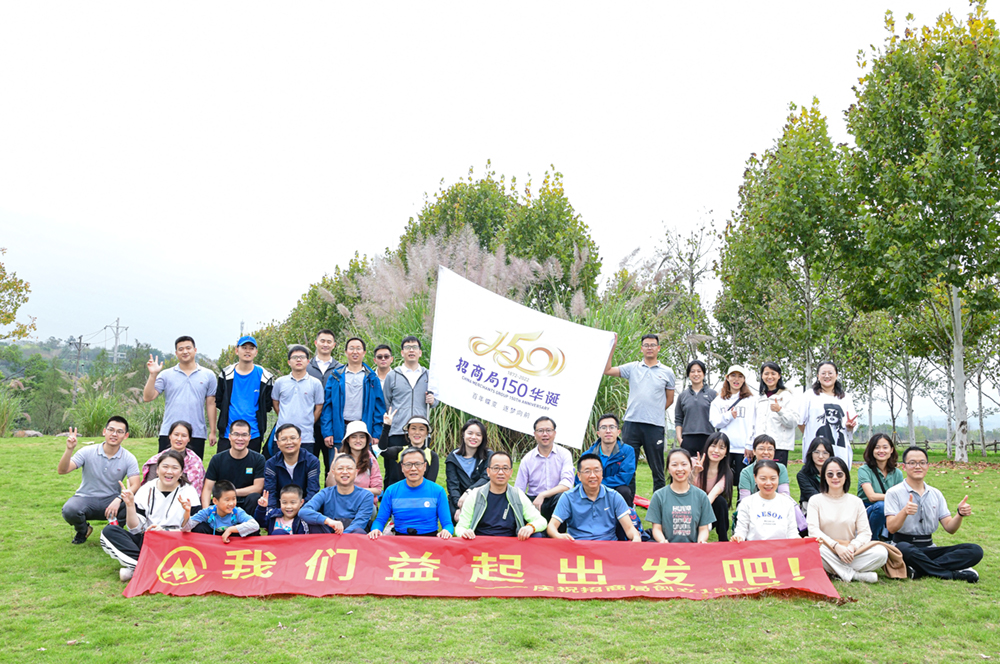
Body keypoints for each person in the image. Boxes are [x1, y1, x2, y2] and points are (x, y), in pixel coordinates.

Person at [99, 450, 201, 581]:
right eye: (165, 467)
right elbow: (135, 529)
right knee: (109, 531)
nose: (169, 471)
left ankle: (138, 568)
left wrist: (165, 532)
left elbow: (193, 529)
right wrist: (130, 505)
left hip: (176, 542)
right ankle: (146, 566)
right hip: (149, 540)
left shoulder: (189, 491)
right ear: (157, 470)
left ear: (181, 472)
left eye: (175, 468)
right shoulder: (146, 489)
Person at [885, 447, 983, 582]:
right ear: (904, 467)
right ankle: (953, 574)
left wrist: (959, 514)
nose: (917, 466)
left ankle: (920, 570)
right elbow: (891, 528)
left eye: (922, 463)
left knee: (975, 550)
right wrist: (904, 512)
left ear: (927, 466)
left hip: (929, 548)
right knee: (904, 548)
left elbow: (950, 528)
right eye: (912, 463)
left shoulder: (936, 493)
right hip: (904, 547)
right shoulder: (893, 493)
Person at [604, 334, 676, 493]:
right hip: (632, 424)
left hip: (654, 426)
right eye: (646, 345)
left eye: (653, 345)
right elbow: (607, 370)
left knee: (657, 469)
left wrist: (653, 411)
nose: (649, 348)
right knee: (628, 467)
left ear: (658, 348)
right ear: (641, 348)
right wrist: (612, 347)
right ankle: (628, 504)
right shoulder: (633, 367)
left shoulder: (667, 372)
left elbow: (669, 400)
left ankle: (659, 504)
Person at [58, 418, 141, 545]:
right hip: (86, 498)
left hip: (112, 500)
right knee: (70, 509)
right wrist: (69, 449)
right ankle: (83, 530)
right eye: (111, 430)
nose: (114, 434)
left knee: (133, 504)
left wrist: (119, 498)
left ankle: (113, 533)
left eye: (119, 431)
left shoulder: (129, 458)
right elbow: (62, 470)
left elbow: (135, 485)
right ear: (104, 431)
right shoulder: (87, 451)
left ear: (126, 436)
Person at [808, 457, 888, 583]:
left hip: (850, 552)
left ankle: (835, 570)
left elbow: (865, 533)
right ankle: (854, 575)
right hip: (826, 549)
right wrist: (835, 546)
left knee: (881, 553)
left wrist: (852, 547)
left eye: (839, 474)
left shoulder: (856, 502)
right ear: (824, 477)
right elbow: (813, 530)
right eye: (830, 474)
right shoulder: (815, 500)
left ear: (846, 476)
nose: (835, 477)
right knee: (813, 550)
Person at [143, 336, 217, 458]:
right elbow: (148, 397)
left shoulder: (208, 375)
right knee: (168, 467)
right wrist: (153, 375)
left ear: (195, 350)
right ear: (176, 353)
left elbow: (211, 404)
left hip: (196, 433)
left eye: (188, 348)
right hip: (170, 432)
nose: (185, 351)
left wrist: (213, 431)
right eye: (181, 349)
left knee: (193, 468)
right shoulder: (166, 375)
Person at [547, 453, 641, 542]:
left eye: (596, 470)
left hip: (608, 545)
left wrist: (636, 537)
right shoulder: (568, 497)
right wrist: (557, 535)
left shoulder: (614, 496)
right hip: (578, 545)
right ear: (579, 476)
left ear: (602, 473)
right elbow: (551, 527)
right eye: (587, 471)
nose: (592, 475)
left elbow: (629, 528)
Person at [455, 451, 547, 540]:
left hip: (509, 545)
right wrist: (465, 532)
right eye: (496, 468)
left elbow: (541, 521)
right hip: (481, 544)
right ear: (488, 471)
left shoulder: (517, 495)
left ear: (511, 472)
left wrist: (530, 527)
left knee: (537, 535)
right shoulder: (475, 495)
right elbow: (460, 527)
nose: (501, 472)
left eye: (505, 468)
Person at [369, 447, 453, 539]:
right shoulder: (391, 491)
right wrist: (376, 529)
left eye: (418, 464)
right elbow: (380, 520)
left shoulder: (438, 491)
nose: (413, 468)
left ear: (425, 466)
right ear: (402, 467)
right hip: (400, 540)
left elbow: (447, 524)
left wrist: (446, 531)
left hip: (430, 540)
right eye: (408, 465)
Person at [321, 336, 386, 453]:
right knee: (339, 463)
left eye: (358, 348)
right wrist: (328, 432)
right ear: (346, 352)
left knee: (363, 463)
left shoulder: (372, 378)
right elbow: (327, 406)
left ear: (364, 352)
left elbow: (379, 408)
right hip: (340, 430)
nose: (355, 352)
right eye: (351, 348)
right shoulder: (335, 377)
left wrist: (376, 433)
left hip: (364, 429)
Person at [213, 335, 274, 454]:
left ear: (256, 352)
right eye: (244, 347)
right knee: (224, 465)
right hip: (228, 432)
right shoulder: (226, 374)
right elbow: (219, 400)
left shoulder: (265, 376)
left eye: (251, 348)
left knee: (250, 465)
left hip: (253, 433)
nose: (247, 351)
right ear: (237, 350)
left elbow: (267, 405)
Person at [647, 448, 715, 543]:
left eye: (684, 464)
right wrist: (662, 541)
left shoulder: (701, 496)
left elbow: (703, 528)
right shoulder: (659, 496)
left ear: (691, 467)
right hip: (667, 548)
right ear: (668, 469)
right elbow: (656, 528)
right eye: (674, 465)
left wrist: (701, 541)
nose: (679, 469)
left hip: (692, 549)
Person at [514, 416, 574, 521]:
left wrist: (543, 495)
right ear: (535, 434)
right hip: (534, 500)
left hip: (556, 498)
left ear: (554, 433)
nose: (545, 434)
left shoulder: (564, 454)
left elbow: (567, 484)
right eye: (540, 431)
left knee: (563, 497)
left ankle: (556, 530)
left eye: (548, 430)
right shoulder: (527, 459)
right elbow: (519, 490)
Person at [382, 336, 436, 450]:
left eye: (414, 347)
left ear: (420, 353)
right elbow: (385, 403)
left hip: (420, 431)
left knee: (420, 461)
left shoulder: (429, 376)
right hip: (397, 431)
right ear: (402, 353)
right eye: (407, 347)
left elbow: (436, 401)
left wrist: (433, 400)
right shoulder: (392, 376)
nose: (411, 350)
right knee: (395, 461)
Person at [202, 419, 266, 515]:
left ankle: (248, 523)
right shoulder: (217, 459)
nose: (240, 438)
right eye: (236, 434)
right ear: (229, 436)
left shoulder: (258, 459)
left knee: (255, 497)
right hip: (223, 503)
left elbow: (258, 488)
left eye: (244, 435)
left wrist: (231, 493)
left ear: (249, 437)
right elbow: (207, 489)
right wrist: (206, 512)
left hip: (246, 503)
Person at [798, 361, 857, 464]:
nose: (827, 376)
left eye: (830, 373)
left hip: (839, 450)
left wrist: (849, 426)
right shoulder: (809, 395)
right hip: (816, 450)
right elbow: (800, 422)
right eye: (823, 373)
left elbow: (851, 423)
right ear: (818, 376)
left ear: (836, 375)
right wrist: (810, 433)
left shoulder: (845, 398)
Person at [300, 454, 375, 534]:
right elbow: (304, 511)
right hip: (329, 534)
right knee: (314, 525)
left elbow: (359, 523)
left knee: (359, 531)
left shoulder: (366, 495)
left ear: (356, 472)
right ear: (333, 473)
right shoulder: (325, 493)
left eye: (349, 468)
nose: (345, 472)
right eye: (340, 468)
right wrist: (327, 521)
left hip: (351, 536)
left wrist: (341, 537)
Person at [272, 345, 325, 458]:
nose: (299, 360)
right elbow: (275, 403)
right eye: (295, 357)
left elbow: (319, 407)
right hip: (282, 436)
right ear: (289, 362)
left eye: (302, 357)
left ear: (308, 361)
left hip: (305, 437)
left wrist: (309, 421)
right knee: (280, 466)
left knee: (305, 467)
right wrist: (285, 417)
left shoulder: (315, 383)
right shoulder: (280, 382)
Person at [307, 329, 345, 476]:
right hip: (310, 424)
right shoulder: (306, 367)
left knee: (332, 466)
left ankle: (331, 490)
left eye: (329, 342)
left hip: (332, 424)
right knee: (310, 465)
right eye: (322, 341)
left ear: (334, 345)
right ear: (316, 343)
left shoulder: (341, 369)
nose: (325, 344)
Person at [709, 365, 756, 483]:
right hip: (724, 449)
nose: (736, 379)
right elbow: (715, 422)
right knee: (723, 482)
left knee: (744, 482)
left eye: (740, 376)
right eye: (733, 375)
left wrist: (750, 445)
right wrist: (728, 416)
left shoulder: (751, 400)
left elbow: (753, 424)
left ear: (744, 379)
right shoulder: (718, 401)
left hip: (744, 449)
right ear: (727, 378)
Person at [733, 460, 800, 542]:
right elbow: (741, 530)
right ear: (755, 478)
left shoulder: (787, 503)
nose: (768, 483)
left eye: (773, 478)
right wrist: (738, 537)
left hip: (781, 548)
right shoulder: (746, 503)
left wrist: (802, 541)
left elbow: (792, 532)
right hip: (754, 548)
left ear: (778, 477)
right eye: (763, 479)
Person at [578, 413, 636, 506]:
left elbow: (625, 477)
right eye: (604, 427)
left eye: (612, 427)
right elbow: (579, 480)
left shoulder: (627, 451)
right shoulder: (588, 455)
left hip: (616, 489)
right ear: (598, 433)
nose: (608, 431)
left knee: (624, 490)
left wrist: (598, 482)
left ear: (618, 432)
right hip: (593, 490)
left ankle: (626, 512)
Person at [263, 423, 321, 512]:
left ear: (300, 440)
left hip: (304, 507)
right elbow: (270, 492)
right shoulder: (271, 464)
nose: (289, 442)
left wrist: (301, 511)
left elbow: (312, 491)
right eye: (283, 439)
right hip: (280, 506)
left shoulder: (312, 461)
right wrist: (274, 513)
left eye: (293, 438)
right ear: (278, 443)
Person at [858, 433, 903, 541]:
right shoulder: (864, 470)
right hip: (869, 509)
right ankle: (871, 540)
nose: (881, 451)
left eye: (885, 447)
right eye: (877, 447)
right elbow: (871, 496)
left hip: (890, 509)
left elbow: (901, 497)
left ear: (891, 450)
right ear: (871, 450)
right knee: (881, 506)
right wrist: (893, 497)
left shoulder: (897, 473)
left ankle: (892, 539)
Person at [140, 421, 206, 493]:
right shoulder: (156, 460)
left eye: (184, 436)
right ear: (170, 436)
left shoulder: (195, 462)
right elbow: (149, 488)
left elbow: (198, 489)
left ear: (189, 439)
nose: (179, 439)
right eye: (176, 435)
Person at [445, 419, 493, 519]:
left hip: (482, 498)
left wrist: (469, 492)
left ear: (483, 438)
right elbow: (452, 486)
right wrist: (459, 506)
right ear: (463, 434)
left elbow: (486, 478)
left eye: (478, 435)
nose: (473, 437)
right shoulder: (453, 458)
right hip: (459, 500)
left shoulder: (489, 456)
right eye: (470, 433)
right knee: (456, 516)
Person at [691, 432, 733, 542]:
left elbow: (712, 495)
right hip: (687, 505)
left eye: (721, 448)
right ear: (707, 447)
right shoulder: (693, 462)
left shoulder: (726, 474)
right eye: (713, 446)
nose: (716, 451)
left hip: (706, 509)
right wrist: (694, 473)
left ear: (726, 452)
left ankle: (723, 540)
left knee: (720, 502)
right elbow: (681, 488)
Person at [753, 362, 798, 466]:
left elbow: (794, 422)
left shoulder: (787, 396)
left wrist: (780, 411)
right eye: (766, 373)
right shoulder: (759, 398)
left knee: (775, 474)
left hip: (779, 447)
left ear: (779, 376)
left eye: (773, 373)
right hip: (760, 447)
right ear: (762, 376)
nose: (770, 377)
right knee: (760, 473)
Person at [183, 480, 260, 539]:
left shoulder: (237, 512)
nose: (231, 503)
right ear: (215, 501)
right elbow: (186, 528)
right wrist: (187, 512)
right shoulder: (208, 512)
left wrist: (231, 529)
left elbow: (255, 525)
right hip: (211, 540)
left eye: (233, 499)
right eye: (227, 500)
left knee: (250, 531)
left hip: (231, 540)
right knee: (199, 528)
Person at [334, 420, 382, 508]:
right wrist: (333, 465)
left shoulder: (371, 460)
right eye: (354, 437)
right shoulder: (340, 458)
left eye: (362, 437)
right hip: (342, 502)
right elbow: (330, 485)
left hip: (364, 503)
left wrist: (353, 491)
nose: (358, 440)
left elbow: (378, 490)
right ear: (348, 439)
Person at [674, 359, 718, 455]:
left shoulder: (713, 394)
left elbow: (719, 419)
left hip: (708, 437)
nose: (696, 374)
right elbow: (678, 419)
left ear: (704, 374)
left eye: (699, 371)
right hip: (687, 438)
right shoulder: (682, 396)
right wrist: (680, 439)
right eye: (692, 371)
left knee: (706, 464)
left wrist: (717, 440)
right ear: (689, 374)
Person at [381, 416, 439, 487]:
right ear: (408, 431)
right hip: (401, 492)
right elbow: (382, 450)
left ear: (427, 433)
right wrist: (386, 427)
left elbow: (430, 483)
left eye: (421, 429)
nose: (417, 432)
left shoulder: (432, 455)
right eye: (413, 428)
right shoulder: (400, 451)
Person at [737, 435, 791, 504]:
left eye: (770, 449)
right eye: (761, 449)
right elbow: (744, 499)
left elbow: (785, 496)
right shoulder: (746, 472)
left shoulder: (781, 469)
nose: (766, 452)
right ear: (754, 451)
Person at [797, 437, 834, 514]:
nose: (821, 456)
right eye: (817, 452)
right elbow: (813, 496)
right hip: (811, 510)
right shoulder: (803, 475)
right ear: (811, 453)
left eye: (825, 453)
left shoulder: (835, 473)